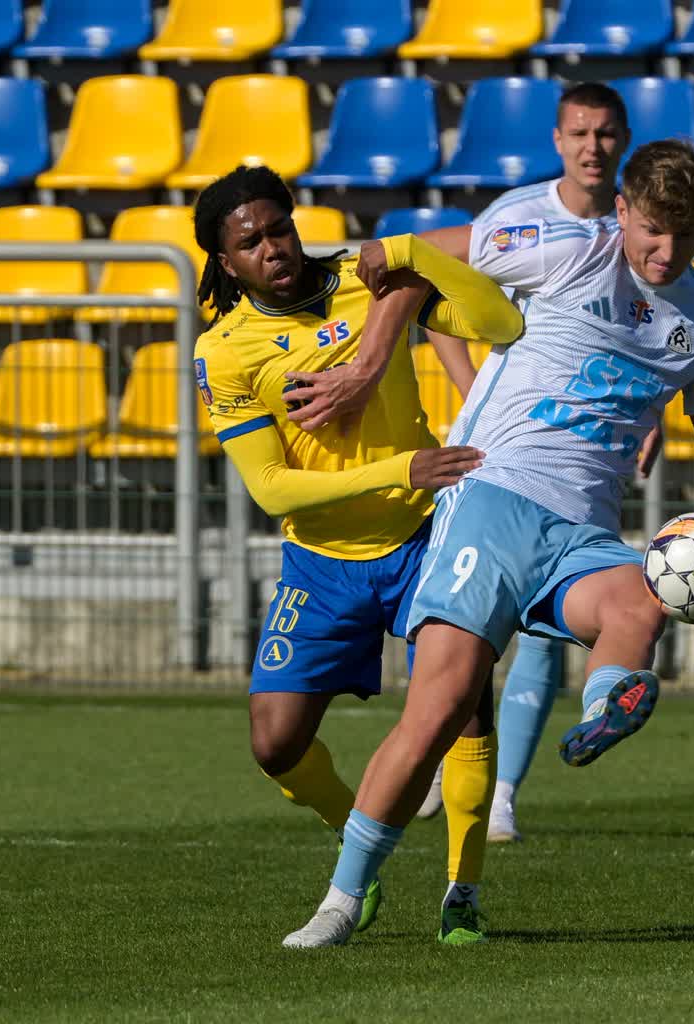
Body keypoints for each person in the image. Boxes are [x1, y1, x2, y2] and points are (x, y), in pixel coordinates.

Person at [280, 139, 694, 949]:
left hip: (584, 533)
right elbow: (413, 258)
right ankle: (343, 896)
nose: (666, 251)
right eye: (652, 231)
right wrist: (366, 357)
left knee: (642, 600)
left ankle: (605, 707)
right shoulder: (562, 248)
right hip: (493, 499)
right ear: (621, 212)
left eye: (686, 234)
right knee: (439, 711)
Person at [294, 81, 660, 846]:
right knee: (466, 636)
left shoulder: (641, 230)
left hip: (582, 459)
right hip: (500, 460)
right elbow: (425, 279)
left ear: (624, 139)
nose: (593, 147)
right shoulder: (524, 217)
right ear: (558, 141)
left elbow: (644, 334)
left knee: (549, 634)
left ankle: (502, 796)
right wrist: (466, 393)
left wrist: (646, 411)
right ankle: (444, 754)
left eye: (605, 133)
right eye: (579, 133)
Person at [190, 165, 523, 946]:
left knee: (464, 704)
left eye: (279, 229)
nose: (273, 248)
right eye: (251, 243)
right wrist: (401, 466)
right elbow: (271, 489)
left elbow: (499, 323)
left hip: (424, 536)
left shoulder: (364, 280)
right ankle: (358, 842)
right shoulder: (223, 352)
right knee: (275, 743)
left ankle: (463, 893)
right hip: (321, 559)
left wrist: (417, 255)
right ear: (225, 261)